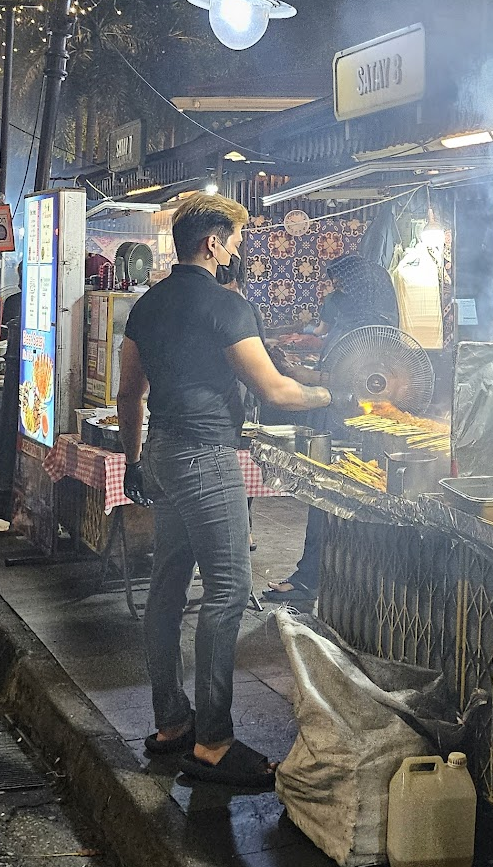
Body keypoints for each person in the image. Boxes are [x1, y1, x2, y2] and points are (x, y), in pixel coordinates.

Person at [117, 193, 331, 786]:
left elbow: (130, 393)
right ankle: (212, 741)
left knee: (167, 588)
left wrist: (134, 460)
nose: (237, 248)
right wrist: (332, 394)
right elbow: (275, 391)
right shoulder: (226, 305)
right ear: (213, 243)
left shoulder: (147, 305)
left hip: (161, 452)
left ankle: (171, 723)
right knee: (228, 592)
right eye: (234, 239)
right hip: (206, 458)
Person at [266, 251, 400, 606]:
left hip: (353, 427)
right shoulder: (347, 319)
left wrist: (304, 376)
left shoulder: (372, 330)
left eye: (340, 284)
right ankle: (313, 575)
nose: (333, 290)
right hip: (331, 417)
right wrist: (303, 374)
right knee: (320, 498)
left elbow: (364, 383)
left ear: (360, 287)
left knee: (334, 501)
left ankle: (318, 578)